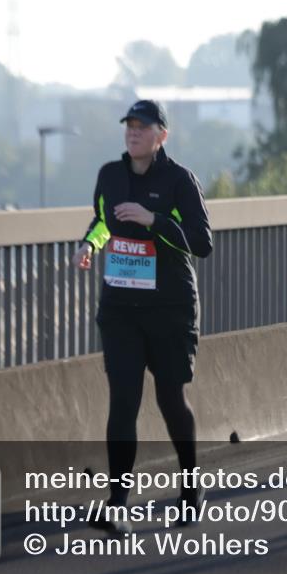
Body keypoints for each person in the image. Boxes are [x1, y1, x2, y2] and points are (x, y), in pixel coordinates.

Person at [72, 99, 213, 533]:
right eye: (129, 125)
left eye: (143, 126)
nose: (133, 132)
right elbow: (102, 221)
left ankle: (191, 489)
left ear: (161, 136)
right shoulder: (110, 176)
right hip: (121, 309)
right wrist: (90, 244)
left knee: (171, 399)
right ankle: (117, 504)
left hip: (170, 308)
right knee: (123, 400)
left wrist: (154, 220)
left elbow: (201, 242)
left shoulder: (179, 180)